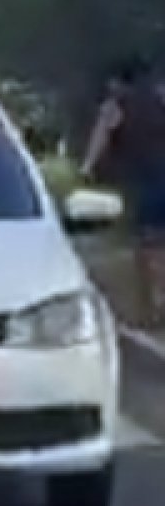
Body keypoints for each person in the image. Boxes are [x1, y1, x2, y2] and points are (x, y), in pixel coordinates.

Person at [81, 56, 165, 326]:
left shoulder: (116, 105)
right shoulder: (161, 96)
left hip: (146, 179)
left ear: (118, 82)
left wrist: (87, 168)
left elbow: (101, 136)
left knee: (148, 244)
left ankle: (154, 303)